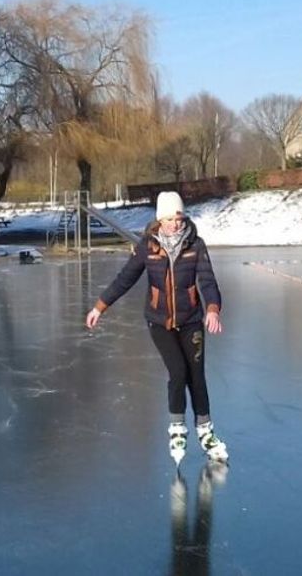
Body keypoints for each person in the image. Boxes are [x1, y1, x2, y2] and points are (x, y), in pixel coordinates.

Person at [85, 191, 228, 463]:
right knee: (178, 371)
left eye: (180, 218)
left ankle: (206, 431)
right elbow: (125, 278)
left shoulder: (195, 245)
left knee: (196, 376)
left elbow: (208, 281)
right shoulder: (147, 247)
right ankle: (177, 428)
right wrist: (99, 307)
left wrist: (212, 309)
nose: (177, 224)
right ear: (160, 219)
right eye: (171, 219)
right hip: (159, 321)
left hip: (191, 320)